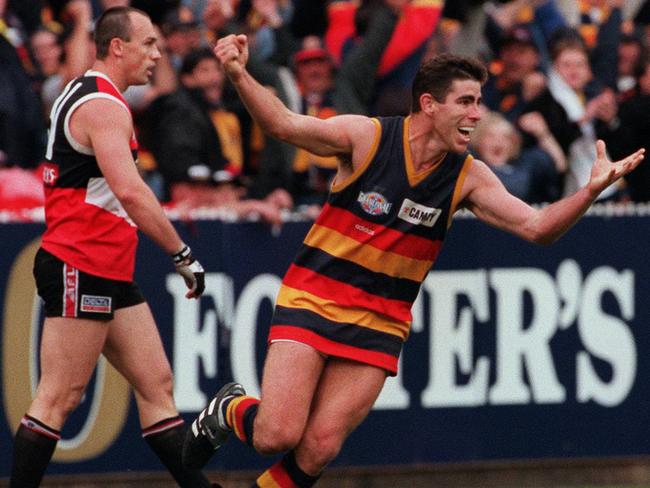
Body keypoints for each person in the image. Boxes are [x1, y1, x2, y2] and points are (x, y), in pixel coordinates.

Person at [183, 34, 644, 487]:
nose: (476, 115)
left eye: (479, 102)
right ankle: (229, 409)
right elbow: (284, 124)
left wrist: (588, 192)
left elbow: (537, 228)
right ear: (429, 104)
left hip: (381, 320)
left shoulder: (468, 176)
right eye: (465, 102)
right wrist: (239, 74)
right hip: (314, 297)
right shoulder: (367, 138)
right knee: (275, 435)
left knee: (320, 446)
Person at [9, 7, 217, 488]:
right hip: (81, 261)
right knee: (60, 397)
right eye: (148, 44)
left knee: (157, 385)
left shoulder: (87, 92)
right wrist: (181, 254)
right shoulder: (104, 104)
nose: (157, 55)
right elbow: (131, 191)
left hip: (103, 265)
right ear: (117, 47)